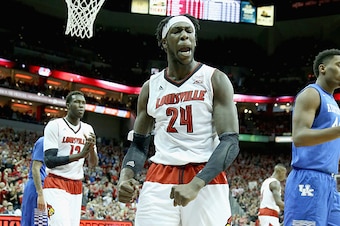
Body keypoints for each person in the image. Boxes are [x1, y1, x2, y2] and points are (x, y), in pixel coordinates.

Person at [117, 14, 240, 226]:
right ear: (164, 42)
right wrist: (125, 177)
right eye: (177, 31)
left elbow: (231, 142)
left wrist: (197, 184)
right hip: (160, 175)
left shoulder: (215, 79)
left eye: (189, 31)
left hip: (205, 176)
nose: (185, 36)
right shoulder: (150, 87)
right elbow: (138, 145)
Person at [284, 48, 340, 225]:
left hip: (330, 182)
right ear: (323, 68)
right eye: (339, 65)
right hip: (308, 179)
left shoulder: (333, 102)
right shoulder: (311, 94)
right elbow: (299, 137)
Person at [43, 90, 98, 226]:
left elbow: (92, 164)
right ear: (67, 105)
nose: (81, 106)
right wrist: (79, 156)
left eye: (83, 103)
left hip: (76, 185)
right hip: (56, 183)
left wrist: (91, 148)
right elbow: (49, 161)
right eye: (77, 102)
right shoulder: (55, 125)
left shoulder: (88, 129)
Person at [21, 136, 48, 226]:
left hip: (44, 186)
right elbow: (35, 168)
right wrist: (40, 194)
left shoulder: (54, 143)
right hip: (37, 186)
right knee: (39, 223)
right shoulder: (44, 141)